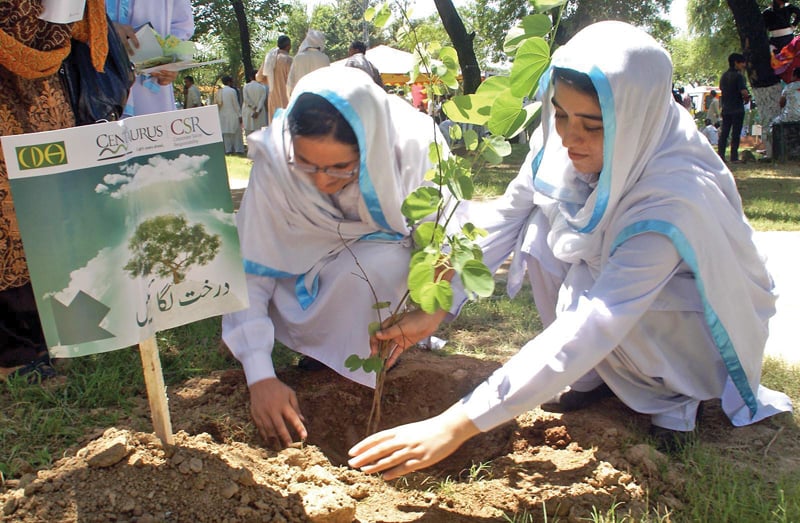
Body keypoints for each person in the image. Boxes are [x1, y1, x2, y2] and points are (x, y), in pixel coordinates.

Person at [347, 21, 793, 479]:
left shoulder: (673, 194)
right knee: (542, 223)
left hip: (681, 326)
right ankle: (593, 377)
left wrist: (454, 425)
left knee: (615, 299)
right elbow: (505, 220)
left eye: (593, 126)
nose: (568, 137)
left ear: (633, 118)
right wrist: (434, 310)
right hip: (610, 302)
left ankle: (671, 400)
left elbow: (598, 319)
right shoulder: (559, 142)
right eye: (560, 114)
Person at [221, 67, 450, 446]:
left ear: (371, 147)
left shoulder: (414, 144)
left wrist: (432, 311)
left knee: (381, 269)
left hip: (381, 258)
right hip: (302, 273)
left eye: (340, 167)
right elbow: (250, 267)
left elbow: (446, 238)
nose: (322, 181)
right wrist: (259, 374)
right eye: (306, 165)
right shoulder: (277, 160)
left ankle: (383, 350)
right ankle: (320, 353)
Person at [0, 0, 108, 380]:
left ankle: (60, 333)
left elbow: (75, 27)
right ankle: (16, 352)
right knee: (10, 220)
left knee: (55, 203)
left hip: (43, 92)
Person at [106, 0, 194, 116]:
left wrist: (172, 63)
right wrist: (104, 27)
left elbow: (181, 26)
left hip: (152, 84)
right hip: (95, 81)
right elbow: (75, 17)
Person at [719, 53, 751, 163]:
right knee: (735, 134)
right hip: (737, 108)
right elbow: (744, 91)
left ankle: (721, 156)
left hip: (726, 108)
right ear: (736, 63)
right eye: (742, 62)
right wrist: (747, 98)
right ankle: (733, 157)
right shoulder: (739, 76)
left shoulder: (723, 76)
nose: (743, 65)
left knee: (724, 133)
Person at [259, 35, 292, 125]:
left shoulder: (269, 59)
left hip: (273, 97)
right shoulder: (288, 60)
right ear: (289, 46)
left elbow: (259, 77)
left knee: (275, 127)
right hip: (286, 98)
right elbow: (293, 80)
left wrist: (270, 82)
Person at [286, 29, 330, 96]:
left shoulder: (298, 58)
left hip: (300, 97)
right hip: (318, 98)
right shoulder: (325, 59)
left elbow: (290, 82)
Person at [215, 75, 245, 154]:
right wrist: (239, 115)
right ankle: (238, 149)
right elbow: (235, 104)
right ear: (229, 82)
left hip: (222, 114)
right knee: (236, 133)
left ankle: (228, 150)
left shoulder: (219, 92)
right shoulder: (232, 91)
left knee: (226, 133)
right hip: (232, 114)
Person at [242, 72, 268, 139]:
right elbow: (262, 100)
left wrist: (253, 107)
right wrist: (257, 110)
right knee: (260, 131)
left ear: (250, 77)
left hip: (249, 111)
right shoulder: (262, 87)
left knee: (249, 131)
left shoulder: (246, 86)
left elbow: (246, 99)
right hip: (260, 112)